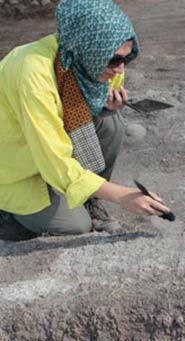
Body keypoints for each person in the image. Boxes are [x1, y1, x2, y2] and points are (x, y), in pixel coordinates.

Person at [0, 0, 171, 237]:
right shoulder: (33, 75)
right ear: (89, 49)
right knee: (75, 226)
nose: (120, 69)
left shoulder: (82, 56)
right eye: (113, 60)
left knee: (110, 124)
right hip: (14, 169)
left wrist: (106, 108)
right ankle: (6, 213)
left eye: (127, 58)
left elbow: (78, 116)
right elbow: (53, 160)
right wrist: (122, 196)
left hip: (45, 152)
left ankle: (88, 197)